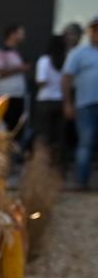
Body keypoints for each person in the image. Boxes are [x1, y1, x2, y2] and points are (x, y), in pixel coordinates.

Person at [63, 16, 98, 189]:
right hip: (85, 105)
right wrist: (68, 103)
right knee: (85, 143)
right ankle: (81, 181)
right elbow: (67, 78)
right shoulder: (78, 54)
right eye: (94, 29)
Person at [0, 24, 29, 141]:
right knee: (3, 129)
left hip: (17, 95)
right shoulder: (0, 52)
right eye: (20, 33)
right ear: (12, 34)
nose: (23, 36)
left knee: (14, 129)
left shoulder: (17, 52)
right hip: (4, 95)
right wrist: (19, 68)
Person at [34, 34, 67, 170]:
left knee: (44, 135)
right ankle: (57, 166)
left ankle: (42, 165)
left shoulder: (44, 60)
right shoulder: (66, 60)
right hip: (61, 101)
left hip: (45, 101)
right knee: (58, 136)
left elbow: (41, 81)